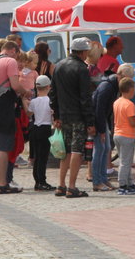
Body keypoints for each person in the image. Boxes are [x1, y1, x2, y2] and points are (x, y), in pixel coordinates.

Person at [49, 38, 95, 198]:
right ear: (82, 52)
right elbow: (85, 97)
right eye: (87, 51)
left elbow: (52, 94)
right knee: (76, 150)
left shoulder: (59, 65)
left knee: (65, 151)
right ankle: (72, 187)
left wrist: (56, 115)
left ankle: (61, 185)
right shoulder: (82, 69)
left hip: (63, 116)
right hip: (78, 116)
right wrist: (90, 121)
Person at [0, 40, 27, 194]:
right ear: (13, 50)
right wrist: (26, 92)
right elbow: (15, 85)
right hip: (3, 106)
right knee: (3, 147)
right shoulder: (10, 61)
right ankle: (3, 184)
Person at [91, 63, 135, 192]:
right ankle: (97, 181)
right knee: (100, 149)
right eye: (127, 78)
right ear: (120, 76)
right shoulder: (107, 87)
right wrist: (101, 130)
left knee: (106, 149)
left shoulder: (113, 86)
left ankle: (103, 179)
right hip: (98, 120)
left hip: (101, 119)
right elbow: (99, 109)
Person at [114, 77, 135, 195]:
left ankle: (129, 182)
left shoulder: (117, 102)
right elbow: (132, 122)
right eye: (133, 89)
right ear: (129, 89)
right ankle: (122, 185)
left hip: (117, 134)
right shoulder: (129, 104)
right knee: (126, 162)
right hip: (127, 135)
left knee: (124, 160)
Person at [26, 75, 54, 191]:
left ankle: (37, 181)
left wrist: (24, 101)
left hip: (35, 129)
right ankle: (42, 181)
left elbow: (29, 114)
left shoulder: (33, 101)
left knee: (37, 157)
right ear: (48, 87)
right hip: (45, 128)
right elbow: (53, 114)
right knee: (43, 157)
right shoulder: (49, 101)